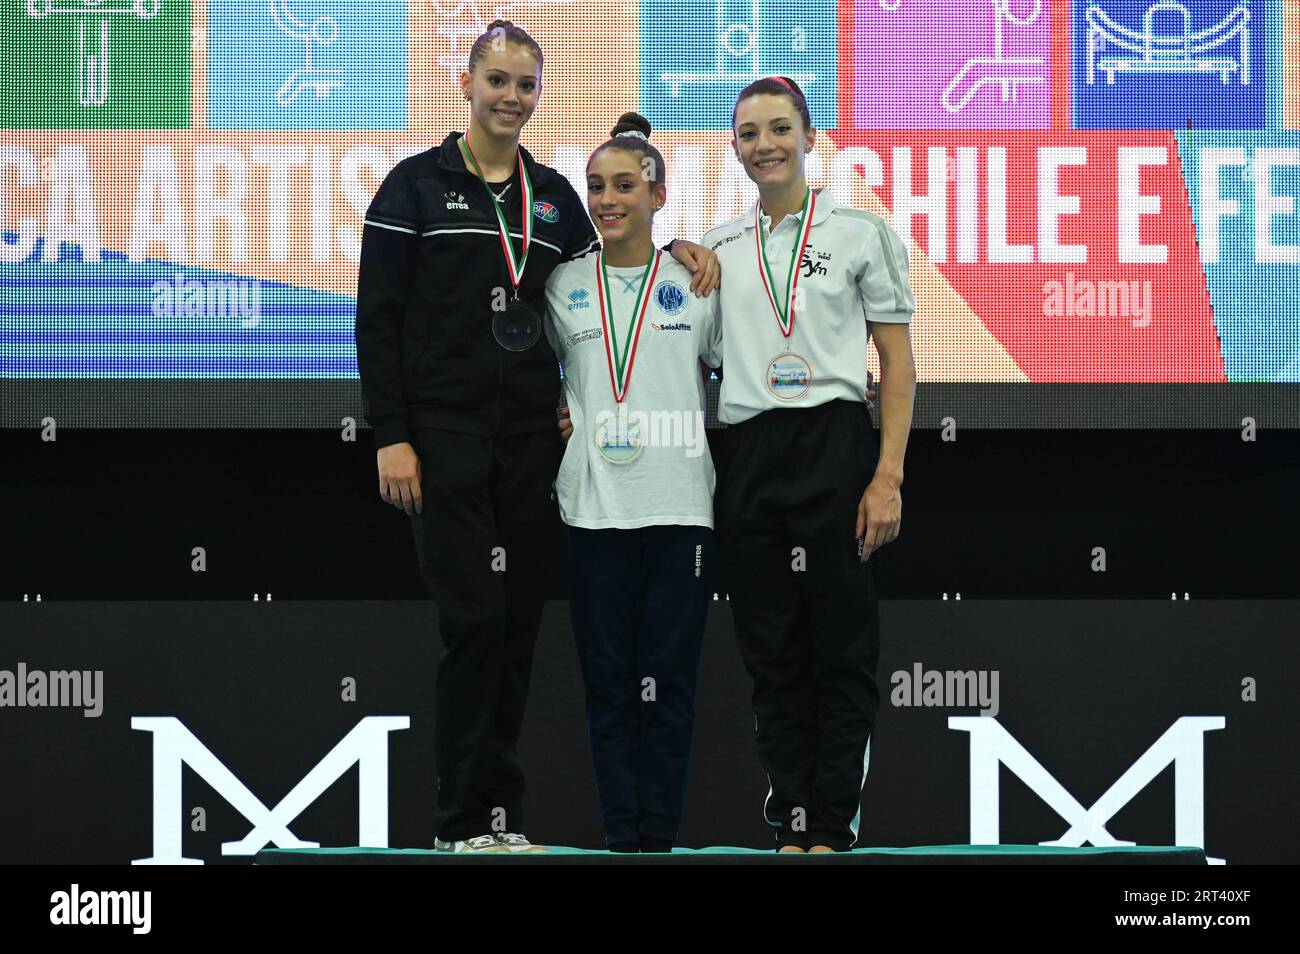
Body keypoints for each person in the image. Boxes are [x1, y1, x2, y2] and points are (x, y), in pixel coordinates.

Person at [353, 20, 718, 854]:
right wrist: (391, 435)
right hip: (443, 439)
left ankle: (499, 822)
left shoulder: (554, 198)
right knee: (474, 623)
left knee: (516, 625)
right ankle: (458, 824)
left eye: (526, 86)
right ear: (468, 83)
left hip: (530, 447)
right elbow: (377, 322)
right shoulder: (412, 189)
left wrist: (686, 250)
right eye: (499, 82)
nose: (511, 98)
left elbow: (617, 284)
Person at [703, 76, 917, 853]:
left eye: (779, 128)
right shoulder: (717, 250)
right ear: (735, 148)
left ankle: (831, 827)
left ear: (810, 135)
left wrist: (886, 475)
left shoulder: (862, 232)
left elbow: (896, 364)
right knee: (772, 654)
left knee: (841, 649)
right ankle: (790, 824)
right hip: (750, 454)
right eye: (749, 133)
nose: (765, 144)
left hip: (834, 447)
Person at [544, 112, 722, 853]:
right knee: (610, 691)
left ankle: (662, 840)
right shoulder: (560, 285)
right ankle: (624, 839)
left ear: (658, 193)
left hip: (679, 507)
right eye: (596, 187)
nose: (607, 199)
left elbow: (737, 375)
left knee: (670, 692)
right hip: (592, 510)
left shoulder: (699, 279)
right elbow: (539, 377)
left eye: (625, 185)